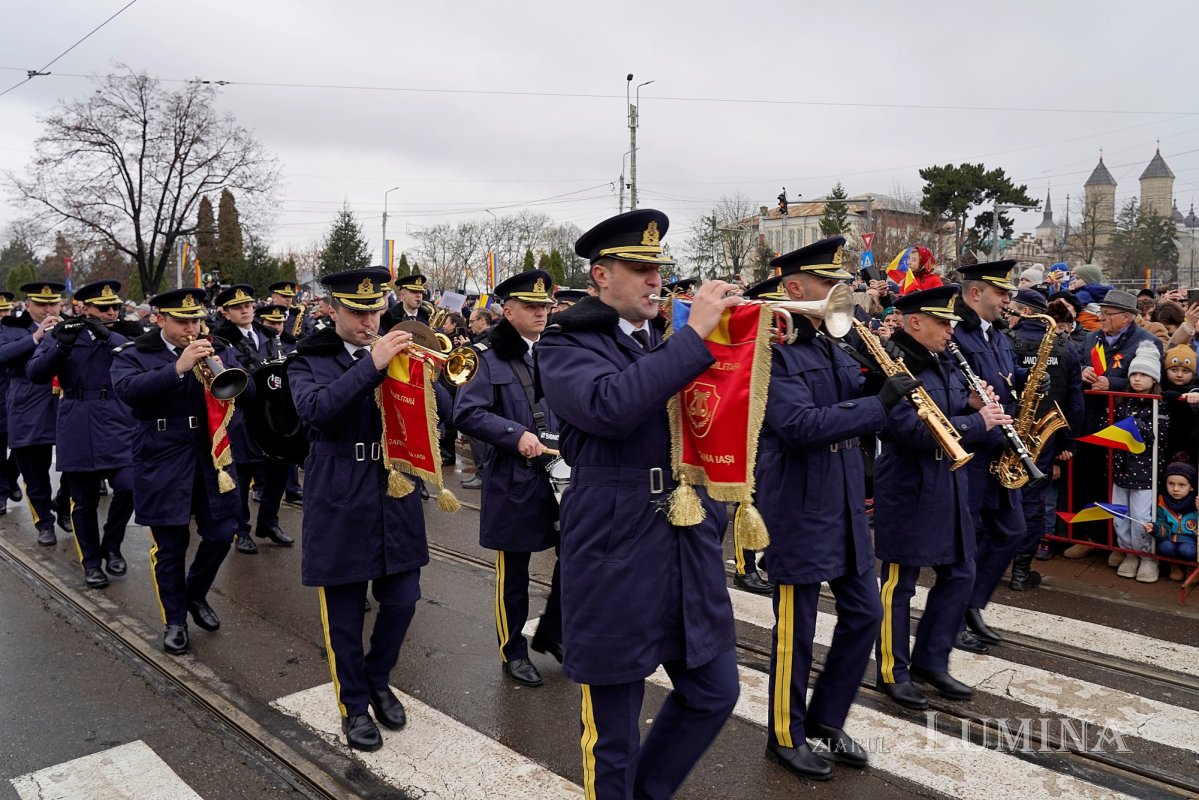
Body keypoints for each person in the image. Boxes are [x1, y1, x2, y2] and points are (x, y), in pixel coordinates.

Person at [536, 209, 741, 799]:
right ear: (601, 276)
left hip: (681, 531)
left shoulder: (663, 340)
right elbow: (610, 407)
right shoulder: (566, 340)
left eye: (658, 270)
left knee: (714, 689)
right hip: (615, 534)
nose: (655, 281)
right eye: (638, 269)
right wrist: (697, 336)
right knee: (614, 730)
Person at [754, 236, 912, 780]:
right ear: (795, 288)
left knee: (866, 614)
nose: (838, 290)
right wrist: (877, 403)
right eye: (827, 283)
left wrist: (882, 374)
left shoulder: (829, 342)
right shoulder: (771, 350)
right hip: (799, 501)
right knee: (795, 629)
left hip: (843, 497)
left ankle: (825, 719)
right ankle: (784, 733)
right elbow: (798, 427)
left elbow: (848, 404)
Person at [287, 268, 428, 752]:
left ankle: (378, 677)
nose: (369, 320)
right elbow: (317, 411)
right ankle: (353, 705)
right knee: (344, 612)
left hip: (394, 485)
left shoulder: (399, 350)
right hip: (340, 485)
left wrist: (428, 378)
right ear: (333, 310)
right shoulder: (308, 359)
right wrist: (372, 365)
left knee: (404, 598)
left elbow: (441, 415)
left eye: (374, 310)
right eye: (357, 311)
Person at [874, 285, 1008, 711]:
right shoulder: (894, 365)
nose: (951, 331)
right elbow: (910, 432)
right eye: (943, 323)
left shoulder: (943, 358)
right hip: (910, 486)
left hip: (950, 483)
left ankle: (932, 660)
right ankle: (892, 671)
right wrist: (975, 420)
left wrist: (971, 401)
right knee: (900, 585)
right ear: (915, 322)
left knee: (960, 574)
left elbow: (948, 408)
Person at [111, 288, 254, 655]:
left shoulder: (216, 345)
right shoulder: (134, 354)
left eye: (196, 319)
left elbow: (247, 392)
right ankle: (174, 620)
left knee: (223, 533)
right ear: (160, 319)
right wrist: (178, 367)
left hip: (211, 457)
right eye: (182, 320)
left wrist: (225, 366)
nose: (192, 326)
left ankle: (194, 593)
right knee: (171, 546)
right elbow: (129, 390)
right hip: (162, 456)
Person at [453, 268, 564, 688]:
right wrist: (517, 436)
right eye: (532, 307)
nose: (541, 313)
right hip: (515, 478)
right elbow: (467, 413)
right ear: (509, 310)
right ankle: (512, 649)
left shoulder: (556, 351)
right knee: (514, 573)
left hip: (561, 476)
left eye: (545, 306)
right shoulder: (485, 356)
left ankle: (553, 634)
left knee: (574, 559)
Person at [27, 280, 142, 589]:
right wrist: (61, 345)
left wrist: (113, 339)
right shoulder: (62, 335)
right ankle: (91, 562)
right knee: (84, 500)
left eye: (116, 306)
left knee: (129, 486)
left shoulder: (122, 337)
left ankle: (113, 544)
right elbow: (35, 373)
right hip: (77, 420)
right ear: (83, 308)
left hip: (117, 419)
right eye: (104, 308)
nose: (112, 312)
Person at [950, 261, 1030, 653]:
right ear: (976, 293)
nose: (1007, 300)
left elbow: (1004, 374)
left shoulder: (996, 333)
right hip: (974, 452)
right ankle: (954, 618)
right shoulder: (957, 334)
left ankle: (972, 604)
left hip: (1001, 450)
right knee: (965, 543)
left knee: (1012, 530)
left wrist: (1027, 375)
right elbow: (958, 392)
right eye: (1001, 293)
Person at [1067, 290, 1162, 558]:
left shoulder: (1147, 342)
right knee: (1088, 479)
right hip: (1091, 420)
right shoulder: (1090, 338)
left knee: (1122, 485)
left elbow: (1153, 381)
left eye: (1109, 314)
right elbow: (1083, 367)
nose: (1102, 318)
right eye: (1102, 312)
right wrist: (1085, 371)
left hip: (1127, 426)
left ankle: (1123, 544)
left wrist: (1114, 384)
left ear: (1128, 317)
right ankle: (1092, 536)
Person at [1004, 289, 1083, 588]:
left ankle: (994, 564)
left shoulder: (1005, 342)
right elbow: (1075, 401)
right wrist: (1067, 442)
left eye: (1011, 311)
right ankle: (1021, 573)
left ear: (1025, 312)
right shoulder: (1065, 346)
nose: (1007, 316)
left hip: (1008, 431)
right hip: (1045, 437)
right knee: (1033, 503)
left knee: (1000, 499)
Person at [210, 285, 294, 554]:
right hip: (243, 416)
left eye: (248, 305)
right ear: (225, 313)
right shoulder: (220, 340)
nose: (245, 310)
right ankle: (241, 530)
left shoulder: (267, 335)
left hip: (273, 415)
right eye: (237, 307)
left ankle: (268, 522)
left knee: (279, 469)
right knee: (243, 476)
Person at [0, 282, 64, 545]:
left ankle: (63, 503)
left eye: (52, 303)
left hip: (64, 402)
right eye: (41, 304)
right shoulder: (10, 327)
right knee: (34, 469)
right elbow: (3, 355)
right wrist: (36, 336)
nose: (47, 309)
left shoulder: (70, 326)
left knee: (80, 466)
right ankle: (44, 522)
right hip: (27, 402)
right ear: (28, 305)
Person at [1110, 342, 1167, 583]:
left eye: (1143, 374)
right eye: (1134, 373)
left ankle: (1146, 556)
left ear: (1154, 378)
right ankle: (1128, 552)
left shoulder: (1158, 404)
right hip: (1121, 467)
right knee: (1118, 515)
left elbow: (1157, 435)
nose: (1137, 379)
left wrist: (1132, 425)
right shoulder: (1122, 401)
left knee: (1141, 517)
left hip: (1145, 471)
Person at [1148, 456, 1198, 581]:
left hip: (1190, 540)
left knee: (1186, 550)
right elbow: (1163, 524)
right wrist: (1155, 528)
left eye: (1181, 485)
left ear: (1191, 486)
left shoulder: (1196, 503)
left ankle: (1191, 567)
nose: (1175, 489)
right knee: (1165, 547)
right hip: (1170, 537)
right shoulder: (1162, 501)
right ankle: (1174, 566)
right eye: (1171, 484)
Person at [0, 291, 22, 514]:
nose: (2, 316)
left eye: (5, 311)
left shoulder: (18, 332)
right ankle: (1, 493)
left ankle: (9, 478)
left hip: (17, 399)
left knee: (20, 448)